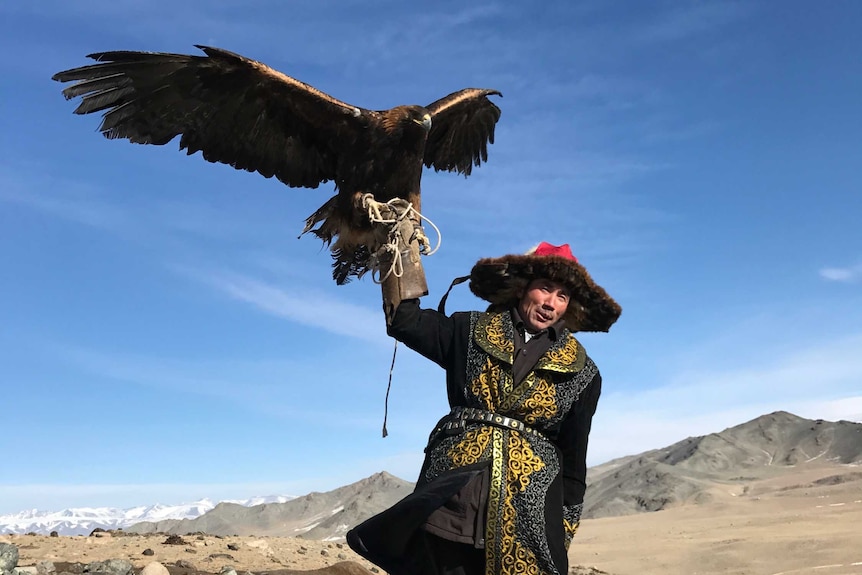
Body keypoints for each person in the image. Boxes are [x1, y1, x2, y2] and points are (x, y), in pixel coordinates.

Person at [347, 242, 621, 575]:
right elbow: (405, 321)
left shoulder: (583, 373)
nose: (551, 303)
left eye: (562, 296)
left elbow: (574, 462)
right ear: (523, 289)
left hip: (528, 515)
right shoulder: (469, 330)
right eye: (545, 289)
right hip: (452, 504)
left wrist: (561, 531)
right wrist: (400, 249)